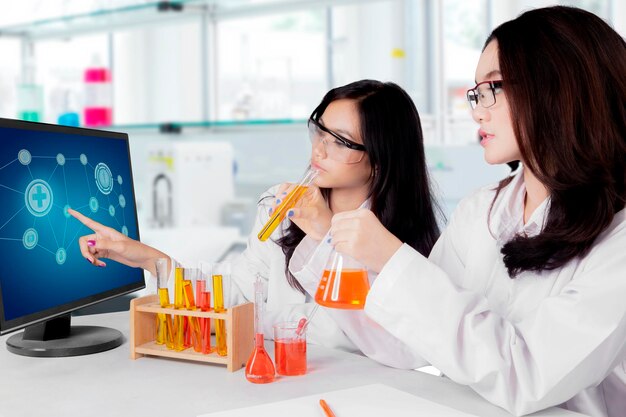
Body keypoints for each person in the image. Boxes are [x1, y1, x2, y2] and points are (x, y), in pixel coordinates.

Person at [293, 6, 625, 417]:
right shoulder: (482, 209)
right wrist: (332, 251)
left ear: (557, 88)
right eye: (475, 92)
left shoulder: (618, 237)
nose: (476, 110)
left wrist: (393, 259)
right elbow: (408, 342)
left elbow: (527, 377)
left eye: (492, 88)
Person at [69, 79, 441, 354]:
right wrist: (148, 258)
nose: (319, 149)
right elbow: (241, 295)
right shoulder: (281, 212)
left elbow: (391, 344)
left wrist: (324, 235)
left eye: (340, 141)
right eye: (320, 130)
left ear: (382, 158)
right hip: (277, 384)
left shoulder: (401, 243)